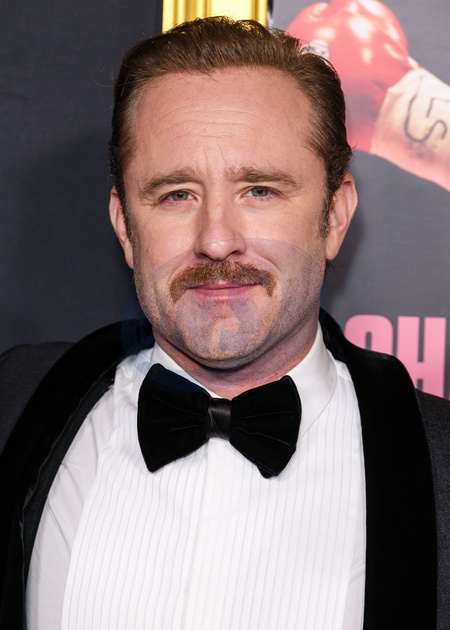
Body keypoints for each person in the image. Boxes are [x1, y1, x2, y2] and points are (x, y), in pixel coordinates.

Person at [0, 16, 448, 630]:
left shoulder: (439, 460)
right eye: (176, 194)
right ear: (125, 226)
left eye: (259, 190)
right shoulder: (16, 406)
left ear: (335, 216)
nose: (216, 240)